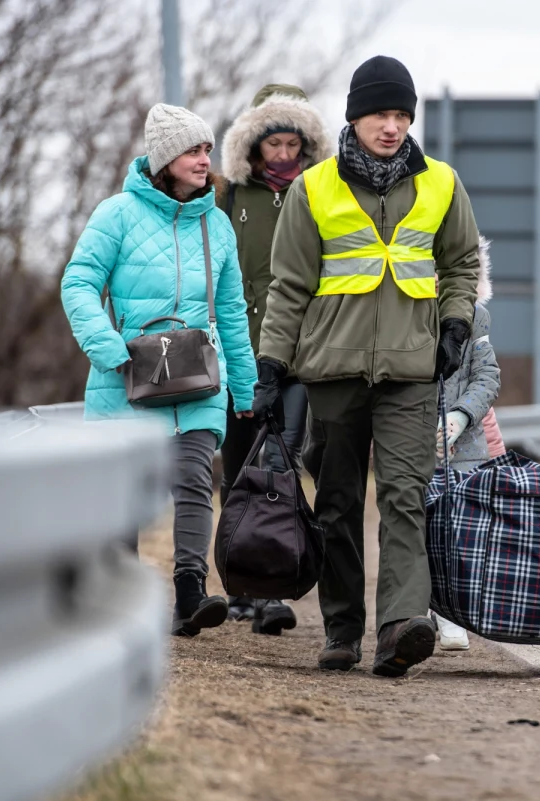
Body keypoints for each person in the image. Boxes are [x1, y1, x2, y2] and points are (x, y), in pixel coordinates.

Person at [254, 55, 482, 677]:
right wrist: (271, 366)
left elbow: (462, 263)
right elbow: (289, 287)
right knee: (337, 502)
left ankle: (399, 627)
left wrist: (455, 322)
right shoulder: (313, 187)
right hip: (333, 371)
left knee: (406, 497)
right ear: (355, 117)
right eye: (381, 113)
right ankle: (343, 629)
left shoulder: (441, 183)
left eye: (402, 114)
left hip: (411, 370)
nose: (392, 126)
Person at [61, 104, 257, 638]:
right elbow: (78, 283)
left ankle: (191, 595)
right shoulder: (116, 214)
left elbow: (233, 311)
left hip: (197, 379)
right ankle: (121, 597)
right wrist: (109, 348)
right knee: (126, 493)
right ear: (166, 158)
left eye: (208, 149)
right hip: (126, 380)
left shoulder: (217, 224)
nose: (205, 159)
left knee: (195, 480)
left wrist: (245, 386)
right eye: (194, 150)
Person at [215, 83, 333, 634]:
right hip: (241, 350)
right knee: (239, 462)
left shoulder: (323, 192)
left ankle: (271, 590)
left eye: (292, 144)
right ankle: (239, 583)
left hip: (303, 353)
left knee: (282, 459)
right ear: (253, 146)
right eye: (273, 145)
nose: (283, 155)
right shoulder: (233, 197)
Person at [434, 237, 502, 651]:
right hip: (414, 443)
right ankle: (422, 607)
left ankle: (451, 611)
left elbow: (487, 375)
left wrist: (462, 414)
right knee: (418, 531)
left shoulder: (477, 318)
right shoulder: (402, 318)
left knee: (460, 532)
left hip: (466, 446)